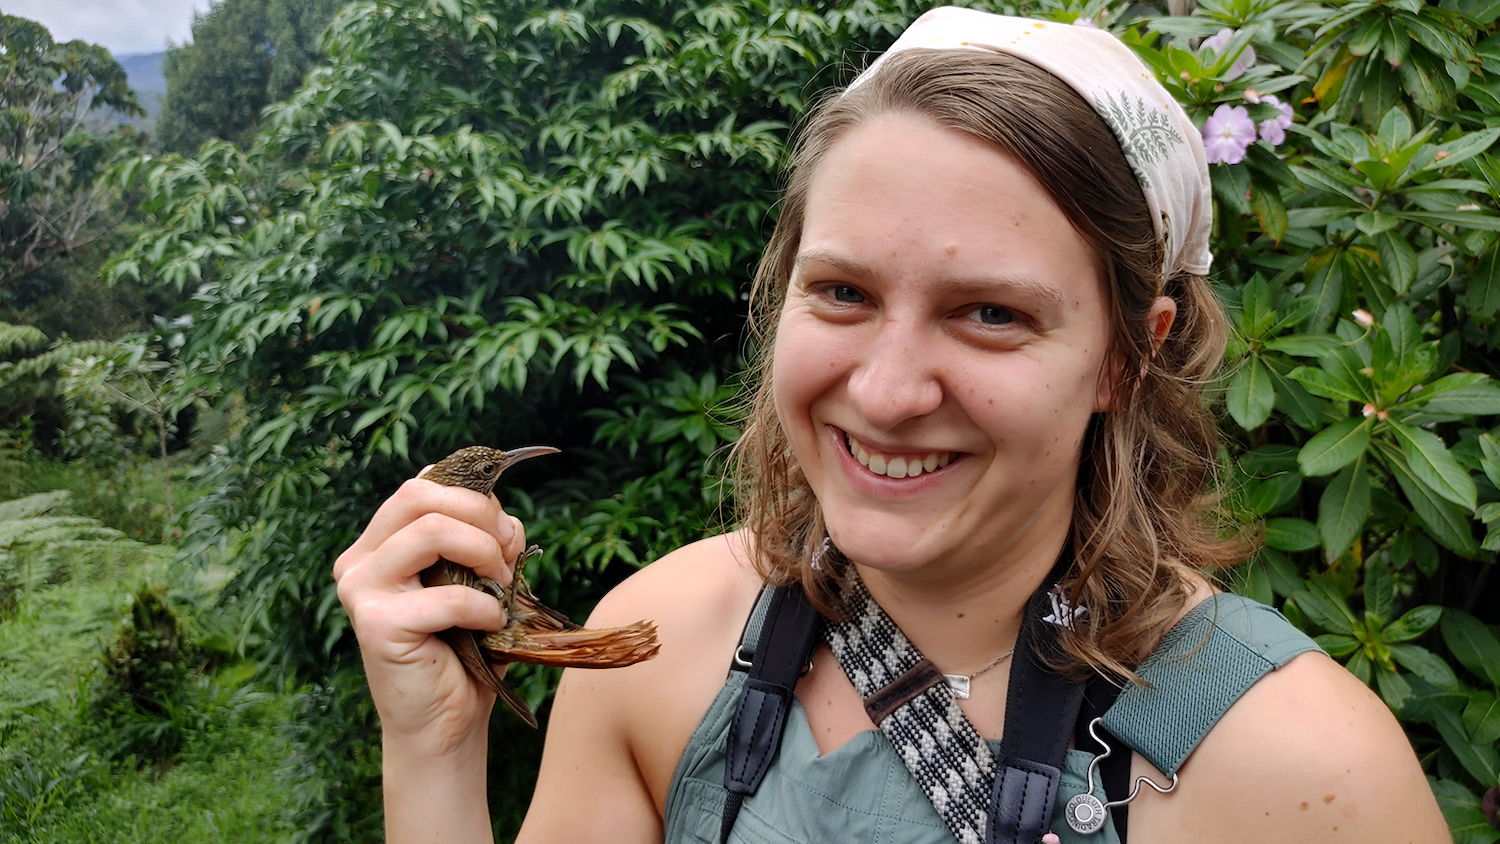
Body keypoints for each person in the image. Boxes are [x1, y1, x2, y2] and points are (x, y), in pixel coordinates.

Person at [333, 8, 1450, 843]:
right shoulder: (659, 647)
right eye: (845, 293)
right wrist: (435, 750)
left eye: (991, 314)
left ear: (1128, 353)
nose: (886, 390)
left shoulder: (1302, 772)